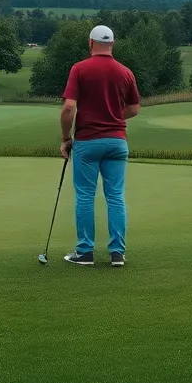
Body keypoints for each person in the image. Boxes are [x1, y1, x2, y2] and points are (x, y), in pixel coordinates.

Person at [59, 25, 140, 267]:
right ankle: (117, 253)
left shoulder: (79, 69)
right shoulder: (125, 72)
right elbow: (134, 108)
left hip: (87, 141)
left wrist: (66, 138)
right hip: (117, 141)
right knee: (115, 196)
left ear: (90, 43)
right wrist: (113, 118)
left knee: (85, 196)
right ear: (112, 44)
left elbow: (68, 108)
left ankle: (85, 252)